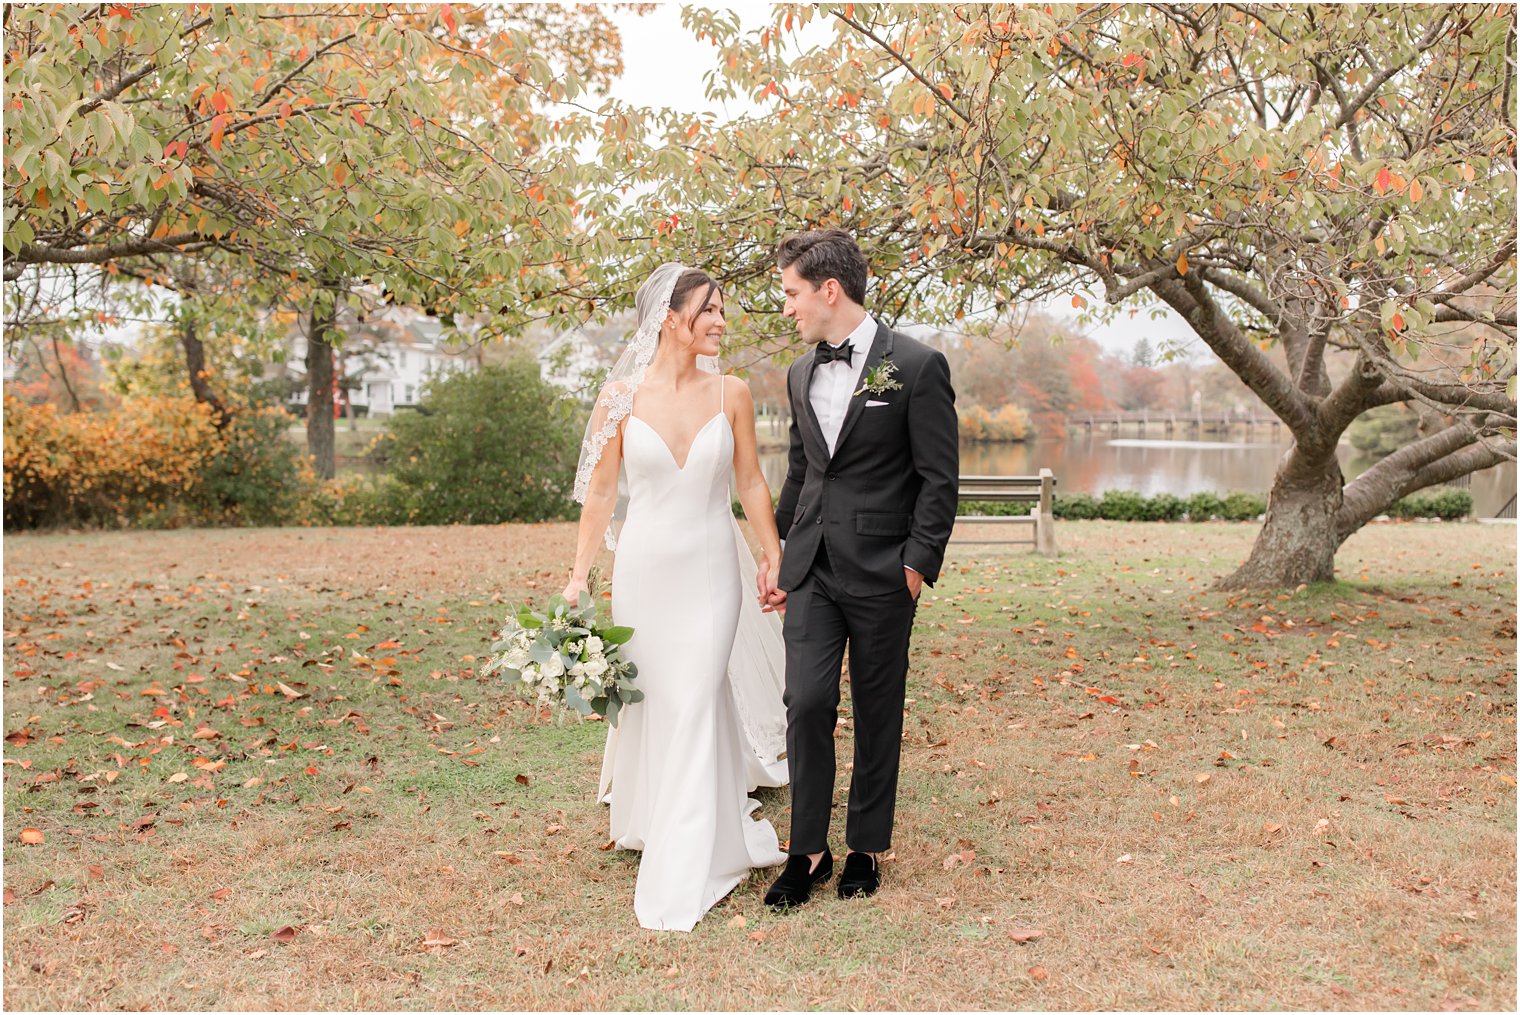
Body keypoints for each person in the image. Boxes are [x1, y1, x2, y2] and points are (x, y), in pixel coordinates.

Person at [564, 263, 790, 933]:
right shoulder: (619, 398)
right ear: (669, 318)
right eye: (708, 310)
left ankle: (685, 860)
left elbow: (749, 480)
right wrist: (579, 575)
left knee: (696, 694)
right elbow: (603, 492)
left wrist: (772, 549)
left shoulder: (734, 392)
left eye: (722, 310)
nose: (721, 321)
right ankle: (669, 816)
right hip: (645, 572)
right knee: (663, 698)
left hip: (714, 569)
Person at [762, 230, 959, 908]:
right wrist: (781, 556)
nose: (787, 307)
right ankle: (807, 849)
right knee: (806, 701)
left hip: (883, 571)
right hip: (813, 566)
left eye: (791, 293)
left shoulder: (916, 365)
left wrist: (916, 564)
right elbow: (800, 471)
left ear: (829, 290)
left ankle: (864, 846)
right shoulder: (797, 373)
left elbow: (939, 480)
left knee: (879, 711)